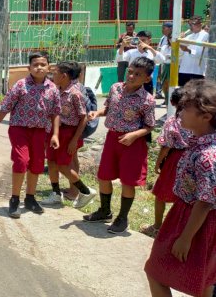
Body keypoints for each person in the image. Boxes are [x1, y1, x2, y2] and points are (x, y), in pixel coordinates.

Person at [129, 79, 216, 297]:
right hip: (193, 216)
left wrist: (186, 237)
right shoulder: (200, 142)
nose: (180, 113)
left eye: (187, 109)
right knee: (204, 282)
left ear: (206, 115)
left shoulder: (207, 155)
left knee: (156, 269)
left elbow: (204, 201)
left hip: (193, 220)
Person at [83, 57, 156, 234]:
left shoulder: (147, 100)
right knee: (104, 176)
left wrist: (133, 135)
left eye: (137, 74)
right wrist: (96, 113)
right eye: (130, 71)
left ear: (146, 79)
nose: (131, 76)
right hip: (112, 139)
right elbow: (107, 109)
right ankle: (105, 211)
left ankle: (122, 218)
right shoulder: (116, 88)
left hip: (132, 143)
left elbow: (149, 126)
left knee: (128, 182)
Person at [0, 51, 60, 219]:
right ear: (29, 68)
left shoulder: (52, 88)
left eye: (42, 64)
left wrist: (55, 135)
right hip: (19, 129)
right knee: (22, 161)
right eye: (35, 65)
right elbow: (6, 107)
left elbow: (55, 113)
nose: (39, 67)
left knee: (36, 164)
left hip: (40, 131)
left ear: (48, 67)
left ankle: (30, 198)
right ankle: (14, 199)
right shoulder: (21, 85)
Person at [43, 61, 97, 209]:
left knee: (63, 165)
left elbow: (84, 117)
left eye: (55, 72)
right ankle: (55, 194)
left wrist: (74, 140)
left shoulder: (75, 93)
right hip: (54, 131)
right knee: (52, 163)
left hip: (67, 133)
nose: (52, 75)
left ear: (64, 76)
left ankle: (86, 191)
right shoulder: (57, 89)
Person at [141, 88, 190, 238]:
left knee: (161, 194)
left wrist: (158, 163)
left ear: (172, 102)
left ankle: (157, 227)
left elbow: (166, 145)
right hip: (193, 158)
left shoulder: (173, 120)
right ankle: (180, 230)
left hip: (175, 159)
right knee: (185, 197)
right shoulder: (198, 118)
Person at [118, 30, 166, 94]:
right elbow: (119, 59)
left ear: (149, 41)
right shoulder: (131, 52)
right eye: (138, 40)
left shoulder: (152, 53)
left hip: (147, 82)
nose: (140, 42)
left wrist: (150, 48)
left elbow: (162, 60)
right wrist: (122, 46)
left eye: (143, 40)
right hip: (133, 81)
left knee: (147, 102)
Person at [179, 16, 210, 86]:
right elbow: (180, 52)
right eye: (189, 24)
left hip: (196, 72)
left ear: (199, 24)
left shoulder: (205, 35)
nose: (190, 27)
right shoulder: (189, 36)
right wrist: (180, 40)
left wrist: (187, 50)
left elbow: (201, 54)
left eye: (191, 24)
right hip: (184, 70)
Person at [157, 21, 173, 102]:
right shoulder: (163, 38)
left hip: (172, 66)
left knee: (171, 85)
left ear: (170, 29)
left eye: (164, 28)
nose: (162, 30)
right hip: (163, 64)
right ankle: (166, 99)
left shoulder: (176, 38)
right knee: (163, 83)